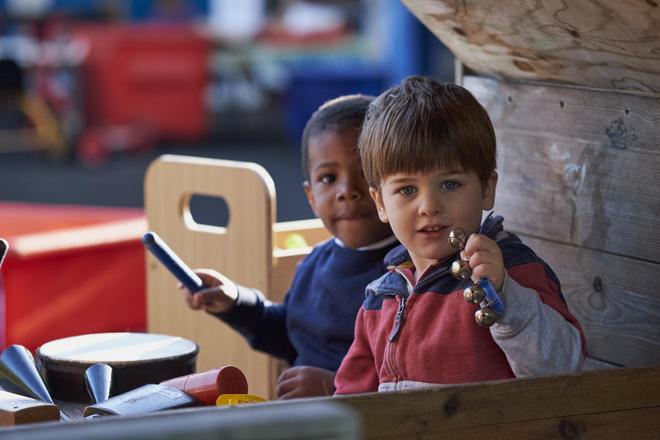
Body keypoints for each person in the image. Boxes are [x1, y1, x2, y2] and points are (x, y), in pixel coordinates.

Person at [334, 77, 585, 394]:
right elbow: (352, 401)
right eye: (407, 190)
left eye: (450, 184)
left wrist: (506, 295)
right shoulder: (382, 295)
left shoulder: (509, 272)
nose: (429, 206)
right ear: (381, 203)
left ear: (487, 189)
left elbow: (564, 366)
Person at [182, 95, 397, 398]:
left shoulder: (408, 274)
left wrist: (332, 386)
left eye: (364, 173)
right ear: (311, 198)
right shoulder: (314, 263)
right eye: (328, 178)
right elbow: (291, 333)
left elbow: (407, 377)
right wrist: (235, 302)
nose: (347, 191)